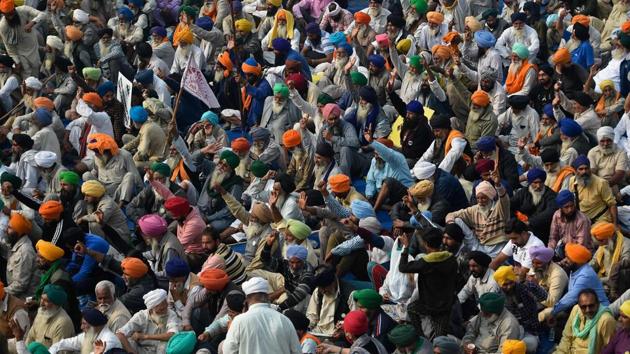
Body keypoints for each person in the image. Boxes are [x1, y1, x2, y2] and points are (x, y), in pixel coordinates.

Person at [399, 227, 458, 340]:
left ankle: (421, 337)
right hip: (447, 304)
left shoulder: (425, 263)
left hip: (430, 305)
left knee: (411, 309)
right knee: (441, 337)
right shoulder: (451, 259)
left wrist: (406, 247)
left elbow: (402, 267)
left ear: (426, 244)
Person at [222, 277, 302, 354]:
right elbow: (296, 351)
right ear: (267, 297)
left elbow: (228, 350)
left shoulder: (238, 321)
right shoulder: (284, 320)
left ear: (246, 300)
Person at [116, 288, 180, 353]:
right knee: (126, 342)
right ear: (151, 309)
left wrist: (145, 336)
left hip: (162, 351)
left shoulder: (170, 314)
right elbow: (120, 334)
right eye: (161, 310)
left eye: (165, 307)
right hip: (142, 350)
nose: (165, 311)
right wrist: (132, 352)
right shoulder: (141, 316)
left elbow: (173, 335)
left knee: (164, 345)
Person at [554, 289, 617, 354]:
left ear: (597, 304)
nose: (588, 310)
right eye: (584, 307)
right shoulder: (576, 310)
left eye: (591, 306)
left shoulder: (606, 320)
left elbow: (610, 349)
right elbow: (566, 337)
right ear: (579, 306)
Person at [48, 308, 122, 353]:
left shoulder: (109, 341)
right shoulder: (89, 334)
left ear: (95, 325)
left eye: (84, 324)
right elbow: (62, 344)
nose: (81, 327)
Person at [315, 310, 388, 354]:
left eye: (345, 330)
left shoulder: (357, 351)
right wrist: (330, 348)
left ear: (349, 335)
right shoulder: (374, 341)